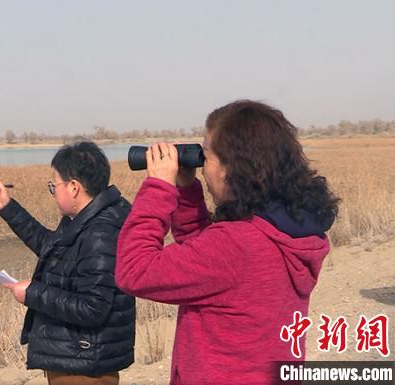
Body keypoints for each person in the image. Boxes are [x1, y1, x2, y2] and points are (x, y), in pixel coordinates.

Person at [115, 100, 339, 385]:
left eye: (206, 156)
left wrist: (159, 187)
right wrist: (186, 190)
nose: (203, 168)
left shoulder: (237, 244)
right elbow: (209, 264)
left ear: (233, 167)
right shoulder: (286, 231)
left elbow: (134, 270)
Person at [0, 141, 135, 385]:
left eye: (54, 186)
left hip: (85, 366)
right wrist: (8, 207)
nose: (53, 192)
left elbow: (93, 307)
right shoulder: (82, 221)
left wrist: (33, 293)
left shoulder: (100, 233)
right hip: (77, 359)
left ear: (74, 187)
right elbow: (51, 248)